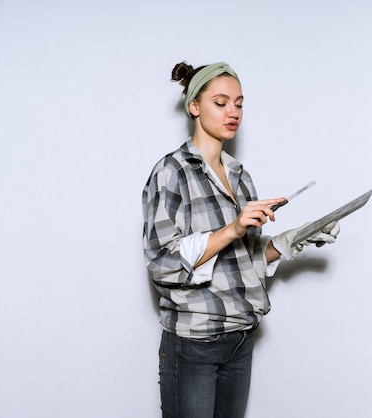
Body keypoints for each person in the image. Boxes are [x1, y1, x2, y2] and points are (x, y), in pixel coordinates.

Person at [142, 61, 341, 418]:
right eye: (221, 102)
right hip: (194, 343)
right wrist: (233, 228)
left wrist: (294, 238)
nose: (233, 112)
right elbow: (163, 265)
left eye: (239, 103)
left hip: (241, 337)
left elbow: (243, 263)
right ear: (194, 106)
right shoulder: (171, 173)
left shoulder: (240, 176)